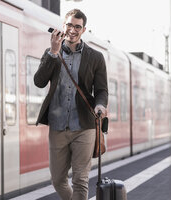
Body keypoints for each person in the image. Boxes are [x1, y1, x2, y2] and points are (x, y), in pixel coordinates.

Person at [34, 9, 108, 200]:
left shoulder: (96, 57)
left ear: (83, 30)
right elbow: (39, 81)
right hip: (57, 126)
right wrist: (53, 52)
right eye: (69, 25)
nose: (72, 30)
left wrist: (100, 105)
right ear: (63, 26)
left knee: (80, 180)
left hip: (84, 125)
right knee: (58, 180)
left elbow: (101, 90)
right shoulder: (51, 52)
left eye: (77, 26)